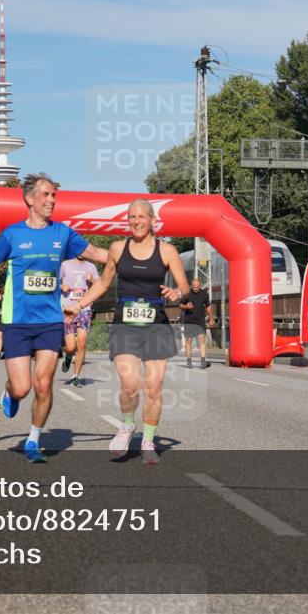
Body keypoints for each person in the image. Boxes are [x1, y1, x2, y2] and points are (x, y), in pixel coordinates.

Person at [0, 173, 107, 463]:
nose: (52, 200)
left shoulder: (62, 233)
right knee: (22, 387)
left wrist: (132, 252)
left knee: (43, 385)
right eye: (46, 195)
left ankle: (33, 439)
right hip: (17, 322)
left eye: (54, 195)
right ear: (29, 199)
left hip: (50, 321)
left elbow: (97, 253)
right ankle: (10, 393)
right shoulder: (12, 235)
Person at [66, 199, 188, 465]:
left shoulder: (167, 251)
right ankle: (127, 425)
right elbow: (103, 283)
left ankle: (148, 441)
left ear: (153, 220)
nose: (136, 221)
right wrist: (78, 305)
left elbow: (184, 287)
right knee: (130, 386)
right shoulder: (118, 248)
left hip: (156, 325)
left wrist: (177, 292)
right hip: (125, 325)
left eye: (141, 216)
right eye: (132, 217)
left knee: (153, 389)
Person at [59, 255, 100, 387]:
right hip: (68, 310)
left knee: (81, 343)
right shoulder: (65, 265)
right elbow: (53, 281)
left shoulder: (91, 267)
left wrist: (92, 279)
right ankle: (68, 356)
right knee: (71, 347)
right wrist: (61, 286)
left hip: (84, 309)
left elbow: (100, 286)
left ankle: (75, 376)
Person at [180, 277, 213, 369]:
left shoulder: (204, 293)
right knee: (189, 341)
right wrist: (186, 306)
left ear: (200, 286)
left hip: (200, 320)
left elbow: (208, 307)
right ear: (192, 286)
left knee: (202, 340)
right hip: (189, 321)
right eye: (194, 287)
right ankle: (189, 362)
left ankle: (203, 362)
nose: (196, 289)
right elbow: (180, 305)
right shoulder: (187, 293)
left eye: (197, 287)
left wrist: (211, 319)